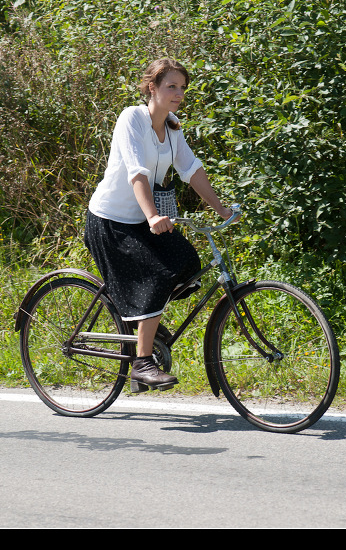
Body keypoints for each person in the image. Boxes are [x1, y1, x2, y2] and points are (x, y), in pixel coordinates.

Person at [85, 58, 234, 392]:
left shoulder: (172, 127)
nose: (178, 93)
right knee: (157, 274)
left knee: (186, 262)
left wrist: (222, 209)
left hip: (141, 219)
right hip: (111, 221)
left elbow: (191, 170)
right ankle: (141, 362)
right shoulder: (132, 119)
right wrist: (153, 216)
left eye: (182, 87)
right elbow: (136, 172)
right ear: (151, 87)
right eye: (171, 86)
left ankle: (146, 328)